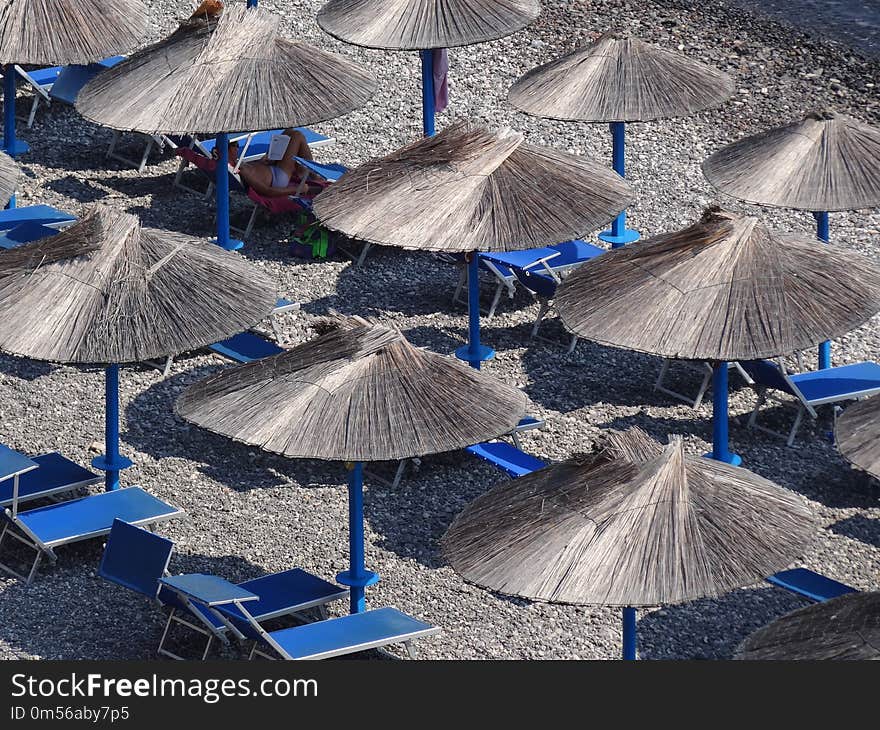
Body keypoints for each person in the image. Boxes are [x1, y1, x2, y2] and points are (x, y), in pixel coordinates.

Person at [236, 128, 318, 198]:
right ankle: (314, 176)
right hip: (278, 177)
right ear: (229, 150)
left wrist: (261, 161)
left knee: (288, 132)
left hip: (269, 167)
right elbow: (268, 191)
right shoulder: (241, 170)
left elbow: (255, 171)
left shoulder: (235, 163)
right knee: (297, 135)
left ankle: (303, 170)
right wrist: (298, 189)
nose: (237, 148)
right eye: (235, 146)